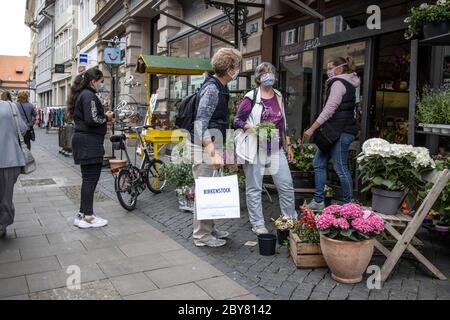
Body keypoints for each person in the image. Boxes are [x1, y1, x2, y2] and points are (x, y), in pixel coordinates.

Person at [234, 62, 296, 235]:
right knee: (254, 187)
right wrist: (253, 129)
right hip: (255, 148)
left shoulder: (278, 95)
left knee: (286, 185)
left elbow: (284, 123)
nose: (269, 75)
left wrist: (288, 145)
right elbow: (237, 120)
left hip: (276, 147)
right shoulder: (251, 96)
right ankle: (257, 223)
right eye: (265, 72)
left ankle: (289, 219)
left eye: (271, 72)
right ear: (259, 77)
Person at [189, 47, 242, 247]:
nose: (237, 69)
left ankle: (209, 229)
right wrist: (213, 152)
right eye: (236, 65)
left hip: (212, 143)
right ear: (229, 69)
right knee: (204, 191)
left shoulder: (220, 86)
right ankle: (201, 236)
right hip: (204, 147)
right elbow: (200, 123)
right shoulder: (212, 89)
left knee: (211, 188)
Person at [303, 56, 361, 211]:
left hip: (340, 131)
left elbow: (329, 109)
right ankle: (319, 201)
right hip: (335, 131)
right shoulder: (348, 83)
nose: (328, 71)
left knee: (340, 167)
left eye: (330, 68)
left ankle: (350, 206)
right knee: (319, 163)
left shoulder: (338, 83)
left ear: (340, 68)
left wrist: (312, 128)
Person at [67, 68, 114, 229]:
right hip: (89, 143)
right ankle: (87, 216)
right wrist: (106, 117)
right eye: (101, 81)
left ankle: (83, 214)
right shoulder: (89, 96)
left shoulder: (83, 95)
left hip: (85, 142)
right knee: (90, 180)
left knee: (88, 180)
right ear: (94, 81)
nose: (102, 84)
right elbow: (92, 119)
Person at [0, 99, 28, 238]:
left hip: (9, 159)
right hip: (9, 158)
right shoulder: (10, 106)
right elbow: (22, 128)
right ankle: (2, 226)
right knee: (6, 196)